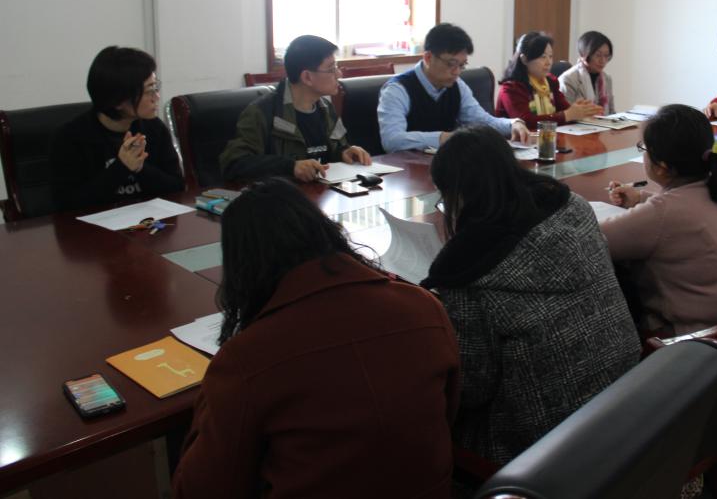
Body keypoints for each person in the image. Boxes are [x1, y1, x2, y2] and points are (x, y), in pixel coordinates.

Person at [173, 178, 460, 499]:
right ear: (325, 232)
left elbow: (200, 490)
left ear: (242, 267)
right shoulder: (424, 307)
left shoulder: (247, 358)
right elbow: (447, 416)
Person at [422, 126, 639, 465]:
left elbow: (471, 388)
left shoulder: (466, 272)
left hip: (540, 443)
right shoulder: (573, 207)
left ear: (459, 196)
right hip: (624, 397)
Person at [602, 105, 717, 336]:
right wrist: (640, 198)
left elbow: (593, 240)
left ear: (662, 167)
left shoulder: (662, 213)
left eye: (644, 148)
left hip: (698, 344)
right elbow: (687, 212)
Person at [219, 35, 371, 183]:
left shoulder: (326, 108)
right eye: (331, 69)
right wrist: (290, 167)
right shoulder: (261, 113)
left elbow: (328, 153)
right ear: (307, 77)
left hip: (322, 192)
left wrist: (344, 152)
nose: (339, 74)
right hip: (281, 196)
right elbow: (234, 164)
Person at [50, 46, 184, 211]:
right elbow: (67, 205)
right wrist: (121, 167)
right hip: (95, 225)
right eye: (149, 90)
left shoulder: (154, 127)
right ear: (118, 100)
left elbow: (177, 187)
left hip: (149, 220)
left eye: (155, 87)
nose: (156, 97)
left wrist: (140, 168)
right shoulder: (70, 138)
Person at [377, 22, 530, 152]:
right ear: (428, 58)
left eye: (462, 65)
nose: (457, 72)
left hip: (446, 165)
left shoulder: (457, 86)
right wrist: (441, 138)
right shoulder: (397, 90)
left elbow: (481, 120)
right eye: (451, 64)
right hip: (407, 171)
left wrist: (512, 124)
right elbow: (392, 140)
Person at [495, 31, 603, 129]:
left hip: (547, 138)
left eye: (550, 56)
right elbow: (525, 121)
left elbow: (564, 110)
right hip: (517, 142)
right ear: (524, 59)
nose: (548, 62)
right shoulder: (511, 88)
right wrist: (567, 115)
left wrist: (578, 110)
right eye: (542, 57)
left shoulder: (550, 82)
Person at [558, 30, 615, 113]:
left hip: (603, 121)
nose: (602, 60)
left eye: (606, 56)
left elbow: (612, 113)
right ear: (584, 54)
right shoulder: (568, 79)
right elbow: (566, 114)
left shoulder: (607, 79)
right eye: (598, 55)